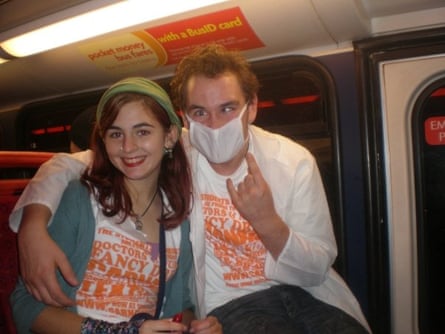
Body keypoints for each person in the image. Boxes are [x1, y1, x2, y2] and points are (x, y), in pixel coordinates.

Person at [10, 44, 371, 333]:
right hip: (232, 301)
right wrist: (32, 225)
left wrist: (268, 223)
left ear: (253, 107)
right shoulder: (181, 149)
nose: (214, 125)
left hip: (310, 293)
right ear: (183, 119)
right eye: (200, 112)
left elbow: (317, 268)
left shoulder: (293, 162)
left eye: (228, 108)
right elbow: (72, 163)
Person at [10, 77, 221, 334]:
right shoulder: (80, 200)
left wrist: (195, 326)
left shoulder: (179, 218)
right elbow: (25, 306)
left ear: (170, 137)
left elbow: (181, 307)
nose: (128, 147)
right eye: (116, 134)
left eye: (142, 132)